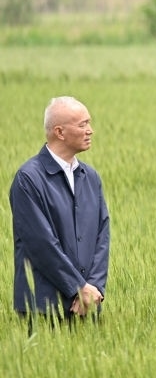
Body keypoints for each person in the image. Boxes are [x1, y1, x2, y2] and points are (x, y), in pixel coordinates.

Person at [10, 96, 109, 330]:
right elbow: (41, 243)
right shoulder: (28, 179)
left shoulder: (90, 177)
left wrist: (92, 289)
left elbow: (101, 236)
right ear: (60, 132)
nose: (90, 130)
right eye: (83, 124)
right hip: (43, 308)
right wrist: (77, 287)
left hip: (87, 306)